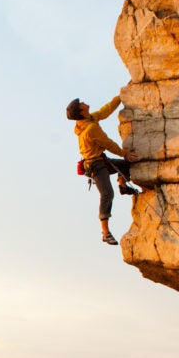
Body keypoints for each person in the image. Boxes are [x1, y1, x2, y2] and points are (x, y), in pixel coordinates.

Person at [67, 97, 140, 246]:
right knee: (107, 194)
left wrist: (120, 97)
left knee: (126, 166)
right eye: (81, 103)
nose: (84, 102)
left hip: (101, 161)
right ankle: (105, 233)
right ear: (81, 111)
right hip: (95, 165)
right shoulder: (90, 129)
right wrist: (124, 153)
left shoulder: (88, 119)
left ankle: (123, 186)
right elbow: (107, 143)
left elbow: (104, 111)